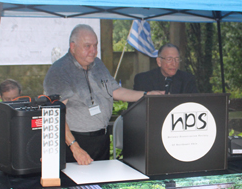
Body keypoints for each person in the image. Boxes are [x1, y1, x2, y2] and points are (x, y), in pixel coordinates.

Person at [43, 24, 163, 165]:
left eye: (95, 45)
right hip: (75, 144)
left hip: (102, 140)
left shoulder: (97, 64)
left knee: (100, 186)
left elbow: (115, 91)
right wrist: (75, 148)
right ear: (72, 46)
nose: (93, 51)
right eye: (87, 46)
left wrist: (147, 95)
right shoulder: (59, 71)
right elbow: (56, 114)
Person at [133, 43, 198, 94]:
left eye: (177, 59)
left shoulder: (188, 80)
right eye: (169, 59)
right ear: (159, 61)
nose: (174, 63)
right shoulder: (143, 79)